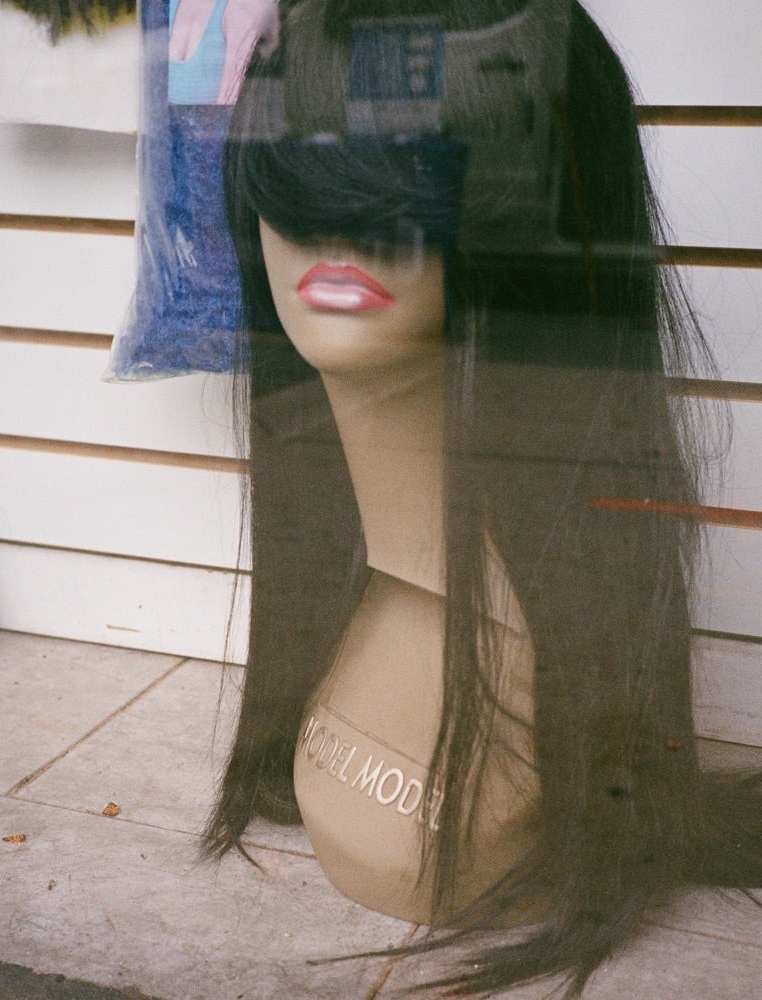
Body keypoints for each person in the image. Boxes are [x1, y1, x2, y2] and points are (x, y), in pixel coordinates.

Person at [203, 1, 762, 995]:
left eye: (410, 180)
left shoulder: (522, 690)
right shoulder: (357, 602)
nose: (338, 229)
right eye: (305, 172)